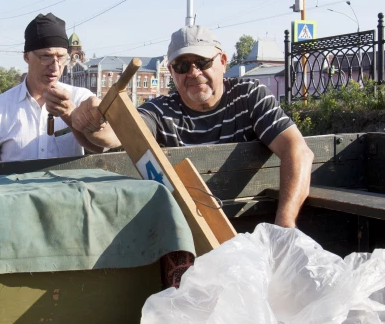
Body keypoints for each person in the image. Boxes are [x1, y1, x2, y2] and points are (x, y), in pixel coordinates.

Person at [71, 25, 314, 228]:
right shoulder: (161, 112)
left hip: (254, 228)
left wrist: (284, 227)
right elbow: (117, 135)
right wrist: (93, 119)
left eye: (202, 62)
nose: (194, 72)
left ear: (222, 61)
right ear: (172, 72)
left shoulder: (249, 97)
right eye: (182, 66)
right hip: (189, 233)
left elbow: (298, 151)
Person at [0, 13, 102, 164]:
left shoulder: (80, 98)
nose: (55, 67)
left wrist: (70, 115)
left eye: (62, 57)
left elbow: (106, 144)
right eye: (46, 57)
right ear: (27, 57)